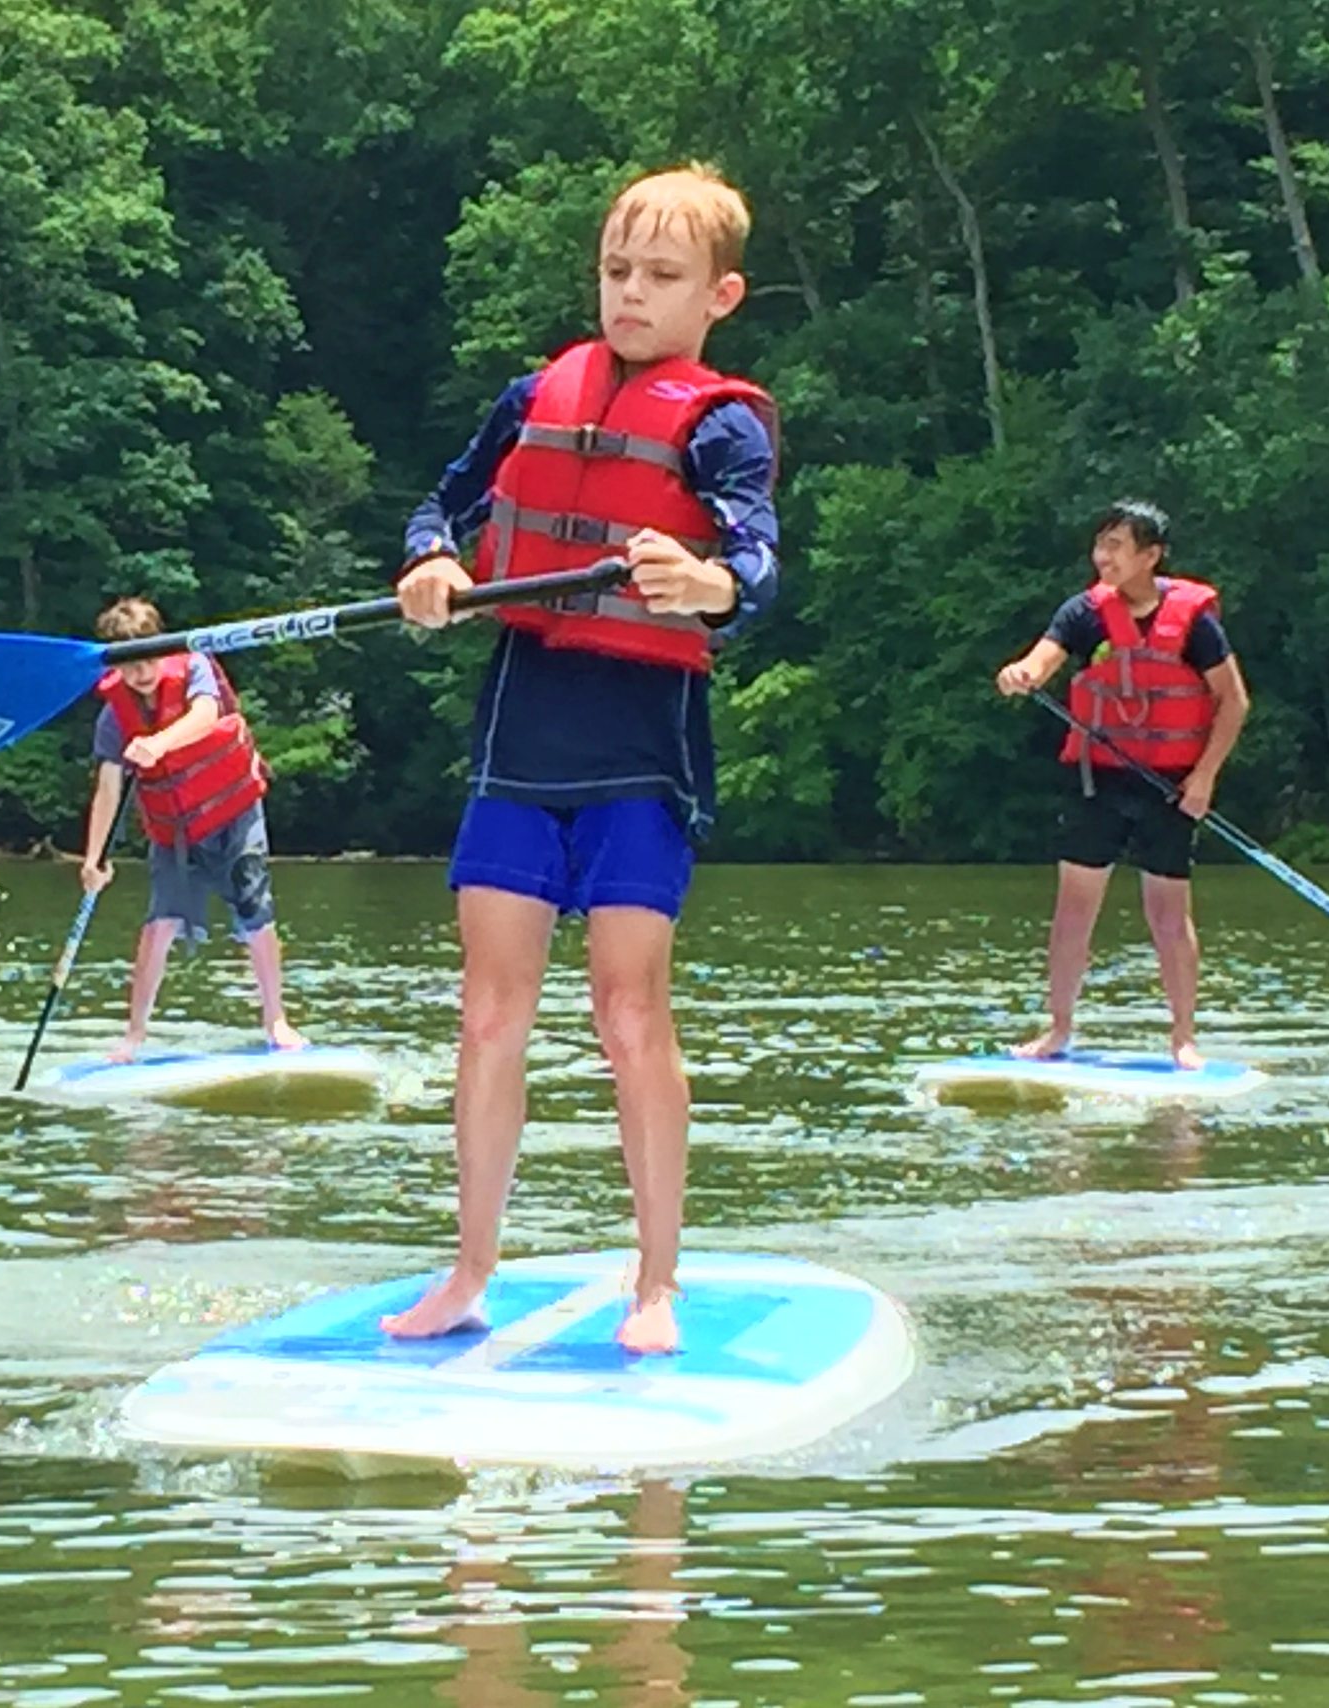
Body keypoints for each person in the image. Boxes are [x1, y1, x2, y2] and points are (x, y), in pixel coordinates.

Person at [378, 164, 783, 1355]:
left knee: (626, 1014)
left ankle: (654, 1282)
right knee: (490, 1011)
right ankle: (467, 1272)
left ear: (720, 295)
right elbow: (437, 508)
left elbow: (756, 567)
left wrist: (708, 583)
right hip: (520, 739)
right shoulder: (529, 396)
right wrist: (431, 566)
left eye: (661, 278)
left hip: (640, 755)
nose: (631, 296)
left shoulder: (721, 425)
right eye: (617, 271)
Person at [993, 500, 1251, 1069]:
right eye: (1100, 544)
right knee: (1074, 908)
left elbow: (1233, 701)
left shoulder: (1196, 625)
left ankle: (1183, 1037)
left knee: (1167, 909)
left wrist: (1204, 779)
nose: (1102, 557)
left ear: (1150, 556)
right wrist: (1021, 675)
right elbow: (1041, 661)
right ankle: (1058, 1029)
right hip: (1097, 778)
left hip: (1171, 784)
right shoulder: (1084, 614)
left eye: (1117, 546)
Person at [79, 597, 306, 1057]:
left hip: (235, 812)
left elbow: (205, 715)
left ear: (164, 651)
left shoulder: (195, 668)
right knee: (158, 924)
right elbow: (107, 787)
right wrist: (92, 859)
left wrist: (158, 744)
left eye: (149, 661)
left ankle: (276, 1019)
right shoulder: (113, 717)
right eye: (129, 666)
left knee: (254, 909)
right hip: (176, 830)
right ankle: (134, 1036)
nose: (141, 674)